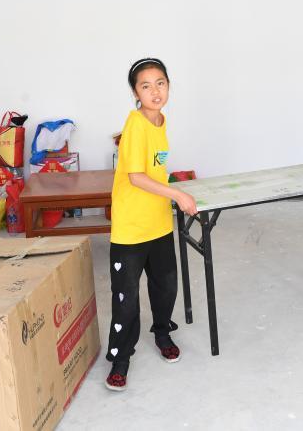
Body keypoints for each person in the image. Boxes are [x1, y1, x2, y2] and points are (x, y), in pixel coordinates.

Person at [105, 57, 198, 391]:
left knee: (165, 286)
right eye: (146, 86)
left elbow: (155, 169)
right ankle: (120, 359)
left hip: (158, 224)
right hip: (131, 229)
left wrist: (174, 191)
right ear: (135, 92)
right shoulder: (136, 124)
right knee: (126, 298)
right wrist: (177, 194)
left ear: (169, 86)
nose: (155, 91)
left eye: (161, 83)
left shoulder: (159, 121)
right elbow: (136, 176)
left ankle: (162, 333)